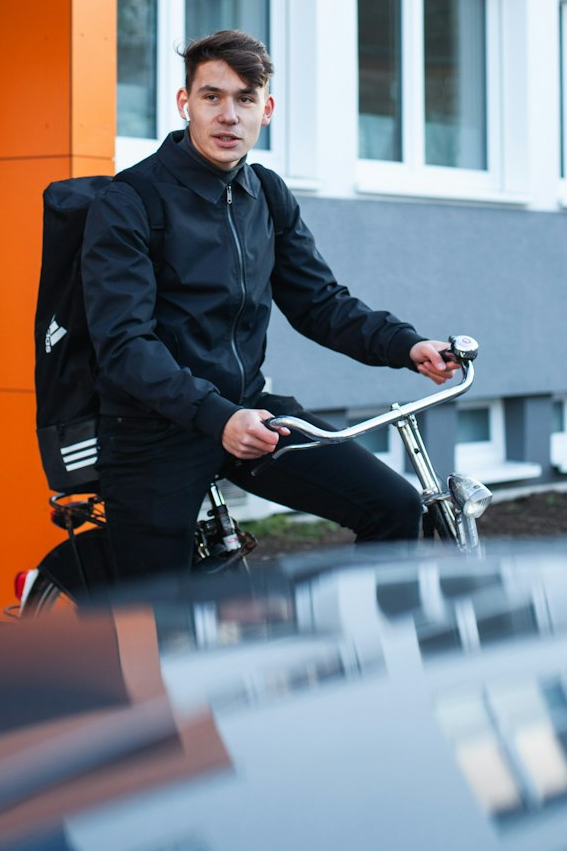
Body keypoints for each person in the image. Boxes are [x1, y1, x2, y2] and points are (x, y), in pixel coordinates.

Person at [81, 28, 455, 581]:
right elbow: (125, 344)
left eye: (245, 98)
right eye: (212, 96)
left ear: (267, 109)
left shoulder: (268, 194)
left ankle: (373, 660)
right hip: (154, 431)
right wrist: (216, 416)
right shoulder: (131, 200)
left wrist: (407, 345)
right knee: (157, 624)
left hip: (250, 413)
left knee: (394, 508)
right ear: (185, 103)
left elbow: (320, 303)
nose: (228, 115)